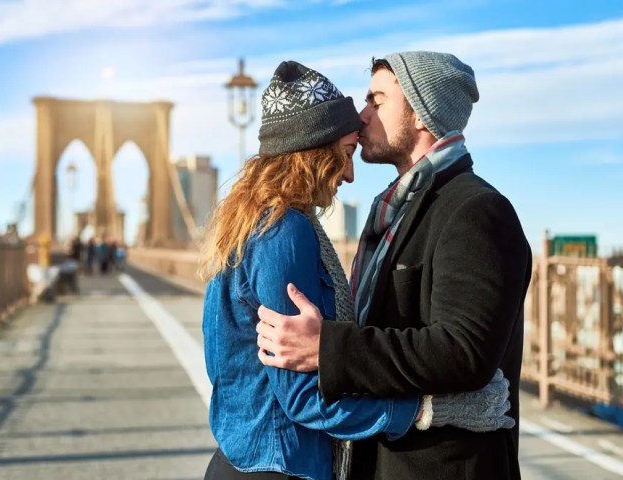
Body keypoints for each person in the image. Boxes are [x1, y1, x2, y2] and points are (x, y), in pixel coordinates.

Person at [201, 60, 516, 480]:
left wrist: (328, 347)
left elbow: (466, 348)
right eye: (345, 154)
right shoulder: (286, 230)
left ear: (421, 113)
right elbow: (299, 395)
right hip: (279, 467)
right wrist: (423, 411)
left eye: (377, 100)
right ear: (314, 150)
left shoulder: (472, 209)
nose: (349, 174)